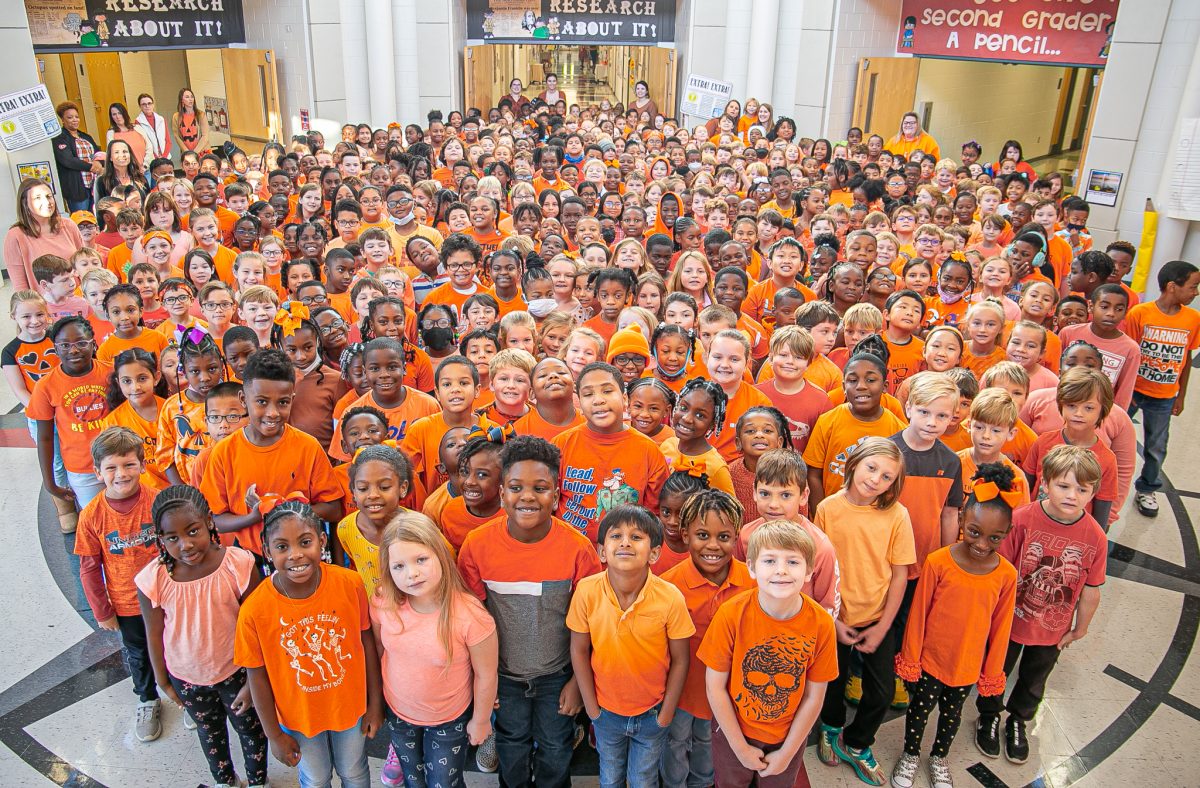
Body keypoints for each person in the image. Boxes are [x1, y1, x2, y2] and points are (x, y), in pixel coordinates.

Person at [457, 435, 602, 786]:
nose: (527, 496)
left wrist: (577, 684)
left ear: (556, 496)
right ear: (502, 493)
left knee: (556, 747)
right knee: (512, 745)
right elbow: (471, 620)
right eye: (516, 487)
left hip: (557, 676)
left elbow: (593, 624)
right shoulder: (477, 546)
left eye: (540, 488)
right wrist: (482, 682)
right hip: (503, 677)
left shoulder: (577, 549)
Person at [235, 498, 383, 788]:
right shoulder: (254, 609)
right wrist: (273, 735)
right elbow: (256, 673)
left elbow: (366, 643)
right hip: (299, 716)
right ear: (266, 551)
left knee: (353, 770)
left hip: (349, 707)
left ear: (322, 540)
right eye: (282, 547)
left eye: (305, 542)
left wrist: (375, 704)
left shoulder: (350, 584)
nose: (295, 555)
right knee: (315, 778)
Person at [975, 446, 1106, 765]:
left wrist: (1080, 628)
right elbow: (998, 570)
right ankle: (989, 714)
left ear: (1092, 492)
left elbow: (1092, 588)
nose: (1072, 495)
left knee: (1035, 678)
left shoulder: (1095, 537)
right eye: (1063, 485)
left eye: (1082, 489)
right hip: (1008, 621)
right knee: (995, 671)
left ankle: (1018, 719)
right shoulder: (1021, 520)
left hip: (1052, 629)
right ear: (1045, 483)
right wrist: (987, 615)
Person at [891, 463, 1018, 788]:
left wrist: (991, 672)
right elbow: (918, 614)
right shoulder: (938, 562)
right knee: (918, 712)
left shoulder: (1006, 576)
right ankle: (910, 754)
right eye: (975, 532)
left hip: (967, 665)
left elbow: (1001, 629)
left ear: (1006, 534)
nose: (982, 543)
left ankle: (939, 756)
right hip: (931, 660)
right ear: (961, 519)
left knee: (951, 716)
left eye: (995, 538)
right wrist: (912, 658)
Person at [138, 484, 268, 787]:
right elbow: (153, 632)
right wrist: (162, 680)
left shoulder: (239, 564)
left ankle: (258, 781)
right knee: (209, 734)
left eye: (192, 531)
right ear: (161, 539)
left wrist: (254, 679)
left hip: (237, 671)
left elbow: (258, 626)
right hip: (188, 678)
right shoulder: (154, 579)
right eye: (172, 538)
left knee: (251, 731)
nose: (185, 544)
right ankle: (225, 781)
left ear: (210, 522)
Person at [699, 520, 839, 787]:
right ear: (751, 567)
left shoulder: (822, 625)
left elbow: (814, 696)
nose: (781, 571)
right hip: (732, 732)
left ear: (810, 570)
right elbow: (714, 687)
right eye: (770, 561)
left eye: (793, 562)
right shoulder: (731, 615)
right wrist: (739, 747)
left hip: (788, 737)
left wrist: (787, 753)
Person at [568, 505, 695, 788]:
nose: (625, 542)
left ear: (654, 553)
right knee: (610, 778)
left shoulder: (669, 597)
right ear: (602, 551)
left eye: (636, 537)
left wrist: (665, 716)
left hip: (652, 714)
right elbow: (579, 649)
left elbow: (681, 660)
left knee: (643, 780)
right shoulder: (587, 591)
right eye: (616, 536)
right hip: (605, 713)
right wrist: (592, 710)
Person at [814, 437, 914, 786]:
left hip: (877, 618)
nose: (876, 479)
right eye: (871, 468)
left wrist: (883, 626)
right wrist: (834, 621)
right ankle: (830, 727)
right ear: (854, 463)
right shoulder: (827, 508)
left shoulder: (898, 515)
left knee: (882, 692)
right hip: (836, 617)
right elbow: (819, 569)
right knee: (832, 682)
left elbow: (900, 574)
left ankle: (857, 743)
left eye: (887, 476)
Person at [372, 512, 498, 788]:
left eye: (421, 560)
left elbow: (486, 675)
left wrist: (481, 720)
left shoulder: (470, 615)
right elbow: (381, 649)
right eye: (399, 566)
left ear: (440, 554)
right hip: (399, 713)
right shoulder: (382, 602)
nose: (412, 573)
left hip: (448, 719)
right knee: (413, 781)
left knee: (444, 783)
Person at [658, 489, 754, 787]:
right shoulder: (667, 587)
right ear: (685, 535)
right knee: (673, 749)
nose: (713, 545)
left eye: (723, 537)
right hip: (680, 697)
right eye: (702, 535)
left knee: (708, 755)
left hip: (727, 700)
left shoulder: (753, 584)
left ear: (737, 536)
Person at [74, 427, 161, 741]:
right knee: (138, 652)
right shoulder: (92, 515)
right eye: (111, 467)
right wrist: (102, 611)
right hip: (127, 604)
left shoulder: (157, 501)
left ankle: (183, 694)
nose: (121, 474)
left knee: (173, 646)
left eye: (128, 464)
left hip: (164, 597)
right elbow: (88, 567)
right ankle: (148, 699)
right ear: (98, 472)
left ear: (142, 464)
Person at [1123, 259, 1200, 517]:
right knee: (1114, 438)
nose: (1196, 292)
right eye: (1193, 286)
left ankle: (1147, 488)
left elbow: (1187, 359)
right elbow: (1129, 353)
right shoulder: (1140, 314)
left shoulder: (1193, 318)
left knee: (1156, 446)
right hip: (1133, 391)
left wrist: (1182, 395)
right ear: (1171, 286)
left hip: (1165, 396)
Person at [5, 179, 85, 291]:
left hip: (77, 300)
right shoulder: (15, 235)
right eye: (37, 198)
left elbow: (83, 263)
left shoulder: (69, 225)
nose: (47, 202)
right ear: (25, 203)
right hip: (44, 304)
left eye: (48, 196)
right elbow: (20, 286)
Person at [52, 102, 104, 212]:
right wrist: (91, 167)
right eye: (70, 117)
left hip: (93, 185)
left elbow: (98, 153)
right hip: (77, 188)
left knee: (94, 218)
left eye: (77, 117)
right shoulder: (60, 138)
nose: (75, 120)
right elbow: (68, 160)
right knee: (81, 219)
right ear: (62, 119)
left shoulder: (86, 137)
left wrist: (99, 163)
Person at [171, 88, 209, 157]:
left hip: (202, 152)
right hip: (186, 153)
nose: (190, 99)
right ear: (182, 100)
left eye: (192, 96)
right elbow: (176, 136)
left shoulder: (201, 115)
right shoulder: (176, 116)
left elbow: (205, 136)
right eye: (187, 97)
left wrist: (195, 153)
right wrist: (187, 152)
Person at [134, 93, 172, 160]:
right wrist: (156, 158)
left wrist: (164, 157)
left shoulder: (161, 119)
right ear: (140, 106)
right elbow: (144, 144)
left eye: (149, 103)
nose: (147, 106)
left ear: (153, 105)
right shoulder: (138, 122)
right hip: (151, 159)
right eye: (144, 104)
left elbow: (168, 141)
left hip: (166, 157)